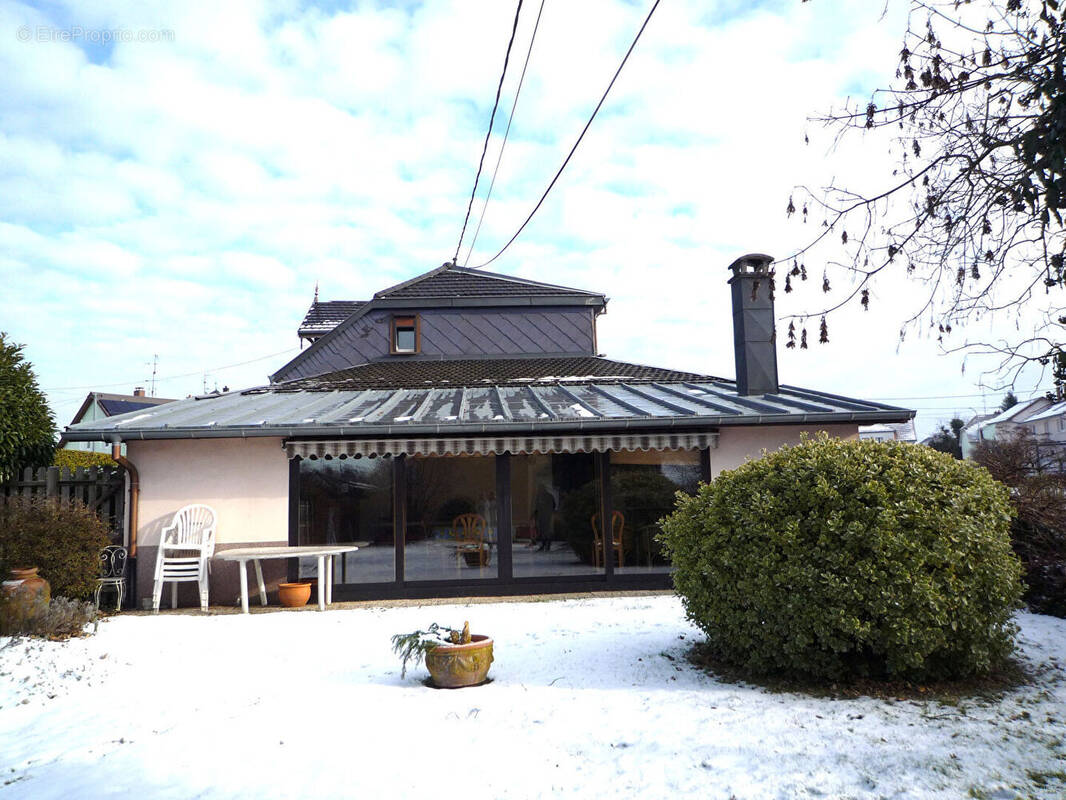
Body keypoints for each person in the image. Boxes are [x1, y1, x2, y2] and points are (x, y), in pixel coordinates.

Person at [534, 478, 556, 552]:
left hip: (546, 517)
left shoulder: (546, 496)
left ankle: (546, 545)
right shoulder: (541, 497)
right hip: (543, 517)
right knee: (544, 531)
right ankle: (545, 545)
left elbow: (553, 505)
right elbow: (536, 507)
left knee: (546, 531)